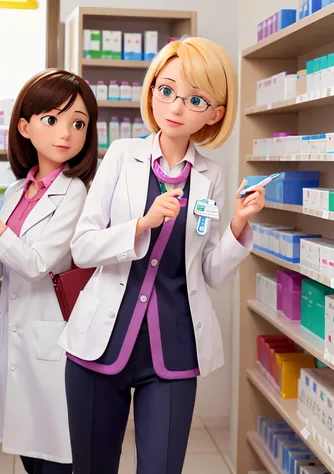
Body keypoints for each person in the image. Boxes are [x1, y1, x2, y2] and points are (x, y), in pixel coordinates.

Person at [59, 37, 265, 474]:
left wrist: (238, 225)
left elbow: (209, 270)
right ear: (152, 89)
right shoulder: (120, 156)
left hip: (172, 351)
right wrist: (141, 224)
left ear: (215, 113)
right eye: (165, 89)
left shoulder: (212, 176)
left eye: (194, 99)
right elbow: (82, 246)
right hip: (101, 344)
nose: (174, 106)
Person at [0, 68, 98, 474]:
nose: (66, 133)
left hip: (53, 344)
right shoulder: (17, 191)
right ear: (25, 126)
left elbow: (37, 265)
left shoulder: (74, 194)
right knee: (30, 457)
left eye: (78, 123)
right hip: (19, 341)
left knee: (56, 458)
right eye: (51, 120)